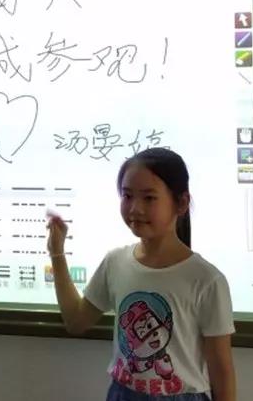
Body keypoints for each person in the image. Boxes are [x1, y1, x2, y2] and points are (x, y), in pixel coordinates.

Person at [47, 148, 236, 401]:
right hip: (122, 394)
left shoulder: (206, 280)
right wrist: (57, 253)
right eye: (127, 196)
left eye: (149, 198)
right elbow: (76, 321)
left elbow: (221, 371)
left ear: (181, 203)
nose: (135, 208)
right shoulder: (115, 262)